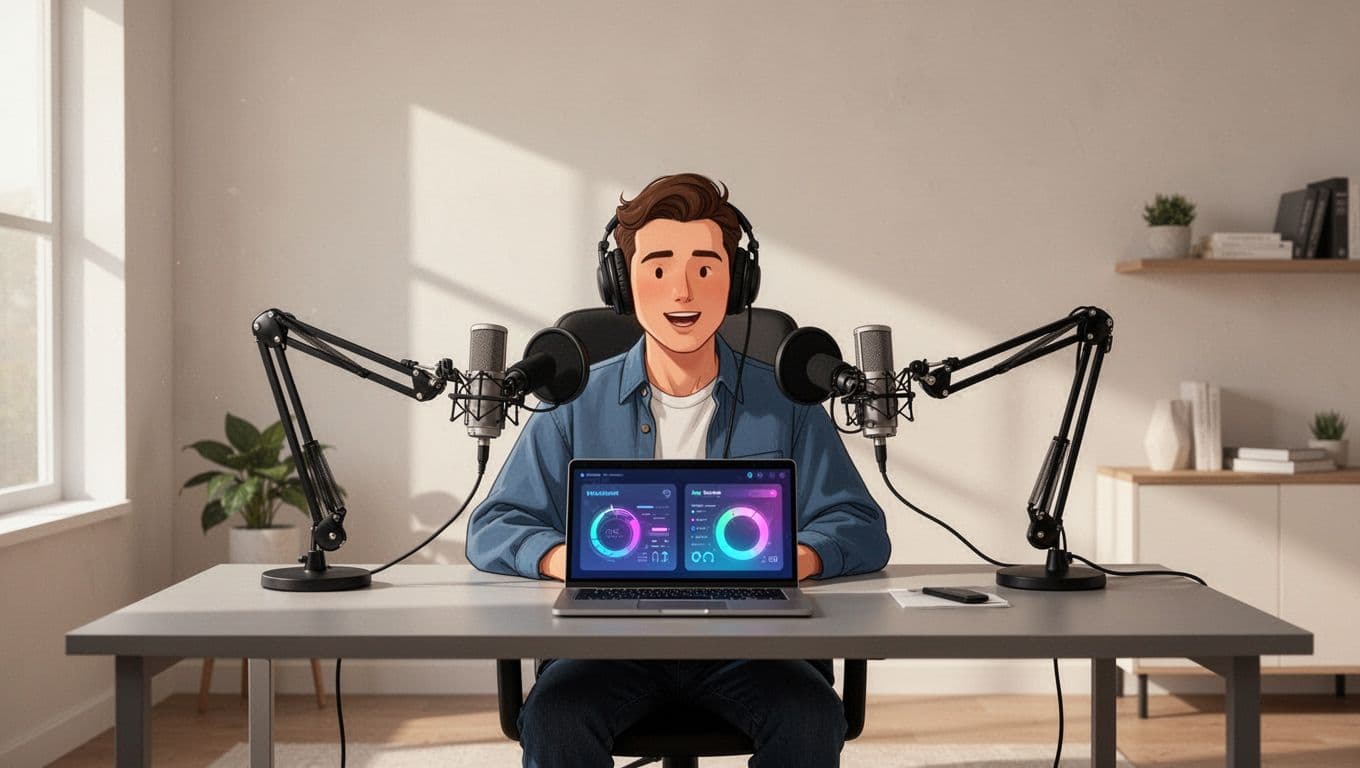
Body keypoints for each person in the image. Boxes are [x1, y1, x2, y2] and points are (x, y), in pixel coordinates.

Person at [466, 172, 890, 768]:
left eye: (706, 268)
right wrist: (568, 561)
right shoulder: (572, 404)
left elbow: (860, 526)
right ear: (622, 281)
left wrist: (797, 558)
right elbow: (494, 526)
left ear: (738, 282)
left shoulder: (790, 403)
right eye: (659, 268)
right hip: (606, 649)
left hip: (757, 648)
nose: (683, 293)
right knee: (557, 721)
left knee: (813, 720)